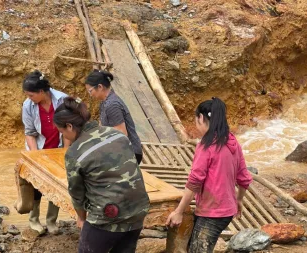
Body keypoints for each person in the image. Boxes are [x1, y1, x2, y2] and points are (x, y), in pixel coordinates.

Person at [54, 96, 150, 253]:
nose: (63, 136)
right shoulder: (116, 134)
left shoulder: (75, 152)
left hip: (108, 216)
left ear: (69, 126)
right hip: (138, 211)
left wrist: (82, 218)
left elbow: (77, 194)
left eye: (61, 132)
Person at [166, 97, 253, 253]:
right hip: (226, 210)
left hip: (213, 211)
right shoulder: (232, 141)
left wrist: (179, 212)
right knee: (196, 245)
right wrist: (239, 199)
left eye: (196, 119)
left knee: (198, 249)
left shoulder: (206, 145)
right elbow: (244, 178)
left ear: (201, 118)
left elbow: (194, 181)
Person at [21, 70, 69, 235]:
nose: (29, 98)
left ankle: (51, 221)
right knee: (36, 185)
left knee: (55, 185)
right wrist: (36, 158)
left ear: (42, 92)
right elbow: (29, 133)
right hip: (39, 150)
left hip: (58, 149)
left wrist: (66, 152)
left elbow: (68, 128)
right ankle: (34, 220)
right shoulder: (28, 106)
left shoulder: (62, 100)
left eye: (31, 95)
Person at [84, 70, 143, 164]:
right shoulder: (105, 102)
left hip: (129, 152)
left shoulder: (112, 104)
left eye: (90, 91)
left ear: (100, 87)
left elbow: (121, 133)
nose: (90, 95)